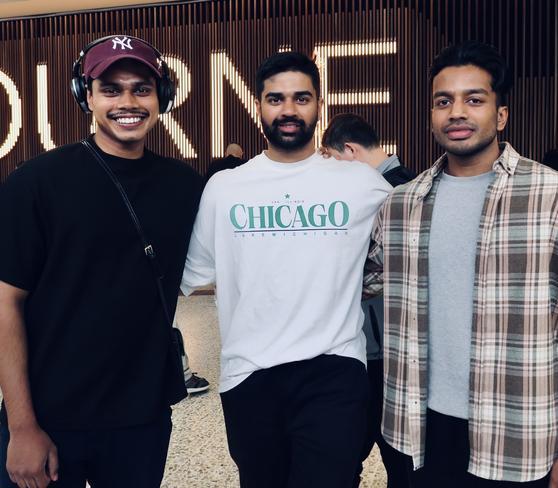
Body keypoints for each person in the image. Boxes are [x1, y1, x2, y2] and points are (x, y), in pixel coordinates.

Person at [364, 41, 558, 487]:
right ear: (431, 115)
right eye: (443, 101)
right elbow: (364, 283)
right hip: (419, 431)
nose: (456, 112)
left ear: (500, 116)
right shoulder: (400, 205)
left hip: (519, 437)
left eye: (474, 100)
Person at [0, 35, 204, 488]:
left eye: (141, 88)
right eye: (110, 89)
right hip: (51, 418)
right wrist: (22, 427)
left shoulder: (185, 188)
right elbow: (5, 304)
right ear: (85, 96)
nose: (127, 102)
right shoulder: (35, 184)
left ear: (162, 98)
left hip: (142, 419)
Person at [181, 52, 392, 488]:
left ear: (319, 104)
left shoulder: (360, 183)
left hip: (334, 371)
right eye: (276, 99)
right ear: (258, 105)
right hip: (249, 376)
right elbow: (190, 275)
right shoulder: (224, 189)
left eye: (301, 98)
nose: (289, 110)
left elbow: (409, 242)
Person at [321, 112, 414, 488]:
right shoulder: (408, 183)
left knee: (382, 453)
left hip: (380, 349)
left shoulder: (392, 194)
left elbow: (380, 275)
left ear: (349, 150)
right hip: (383, 344)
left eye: (329, 158)